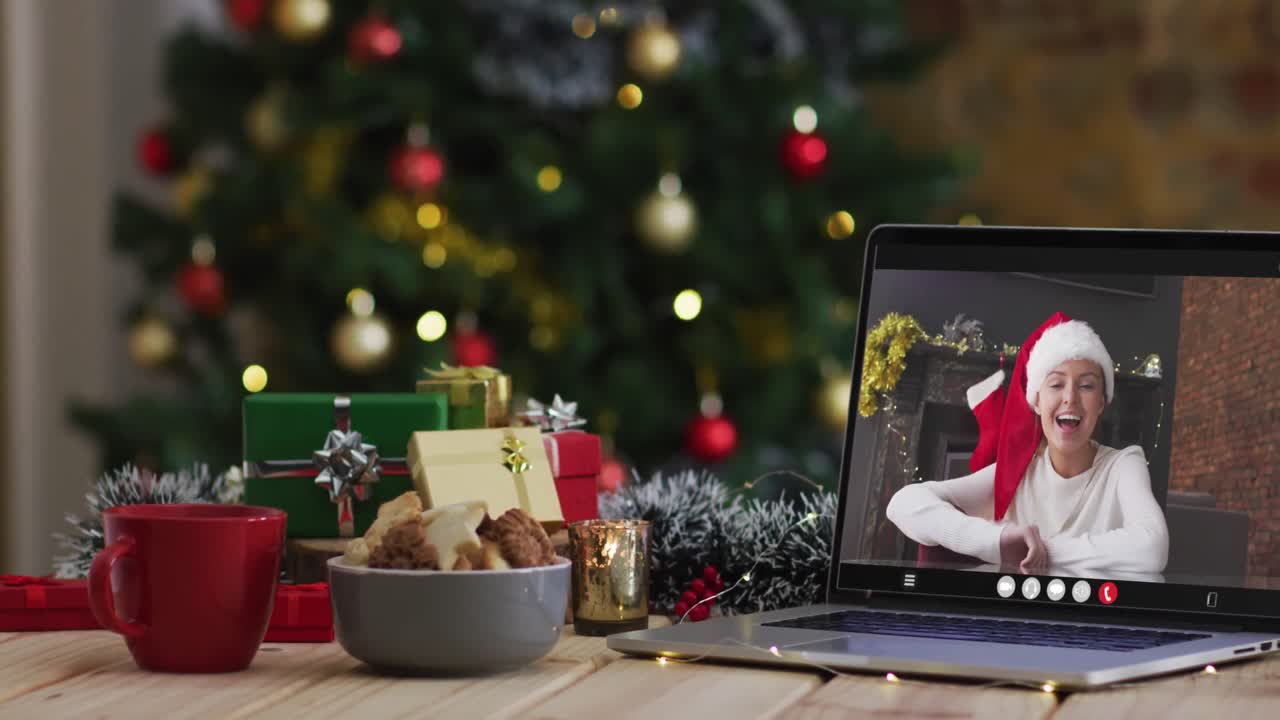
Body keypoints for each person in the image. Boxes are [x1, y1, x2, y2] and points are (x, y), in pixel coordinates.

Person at [885, 312, 1169, 574]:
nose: (1070, 397)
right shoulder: (1016, 474)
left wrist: (1038, 551)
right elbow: (903, 504)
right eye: (1056, 385)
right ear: (1036, 401)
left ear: (1101, 403)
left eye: (1086, 386)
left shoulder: (1123, 465)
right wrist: (1000, 539)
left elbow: (1152, 547)